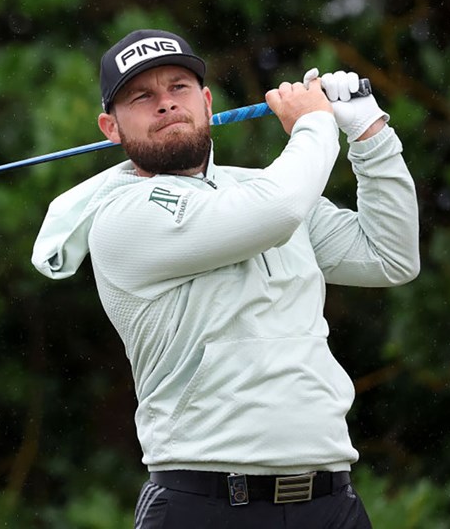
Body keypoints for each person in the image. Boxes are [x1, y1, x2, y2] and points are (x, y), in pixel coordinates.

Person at [31, 29, 420, 528]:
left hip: (330, 501)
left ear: (207, 101)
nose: (166, 104)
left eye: (179, 88)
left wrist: (370, 134)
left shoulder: (260, 189)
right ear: (111, 127)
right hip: (205, 503)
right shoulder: (121, 216)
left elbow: (390, 256)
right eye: (142, 96)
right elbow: (277, 209)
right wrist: (316, 124)